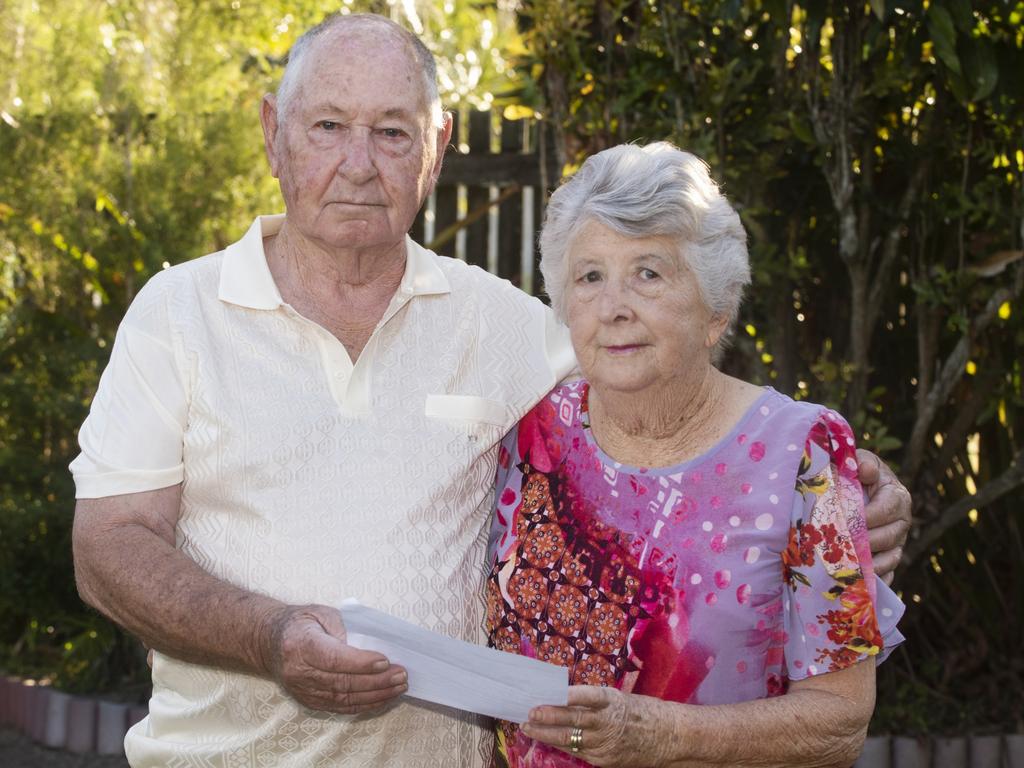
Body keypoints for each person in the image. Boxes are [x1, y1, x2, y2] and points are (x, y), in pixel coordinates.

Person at [69, 13, 910, 768]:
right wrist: (270, 635)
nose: (358, 165)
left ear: (435, 146)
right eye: (329, 126)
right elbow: (108, 549)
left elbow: (667, 397)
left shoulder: (506, 324)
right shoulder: (177, 314)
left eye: (392, 133)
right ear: (272, 132)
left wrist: (839, 481)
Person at [485, 142, 905, 767]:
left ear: (717, 310)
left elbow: (839, 722)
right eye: (590, 275)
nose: (614, 306)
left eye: (648, 273)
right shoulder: (529, 433)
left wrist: (662, 736)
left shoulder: (804, 456)